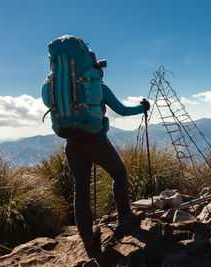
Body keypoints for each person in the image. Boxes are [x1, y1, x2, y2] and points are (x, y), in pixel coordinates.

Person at [64, 50, 150, 252]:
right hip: (95, 141)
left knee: (81, 190)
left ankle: (87, 237)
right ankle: (125, 216)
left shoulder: (64, 91)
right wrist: (142, 107)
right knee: (119, 173)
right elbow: (122, 110)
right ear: (94, 68)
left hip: (71, 144)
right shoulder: (98, 88)